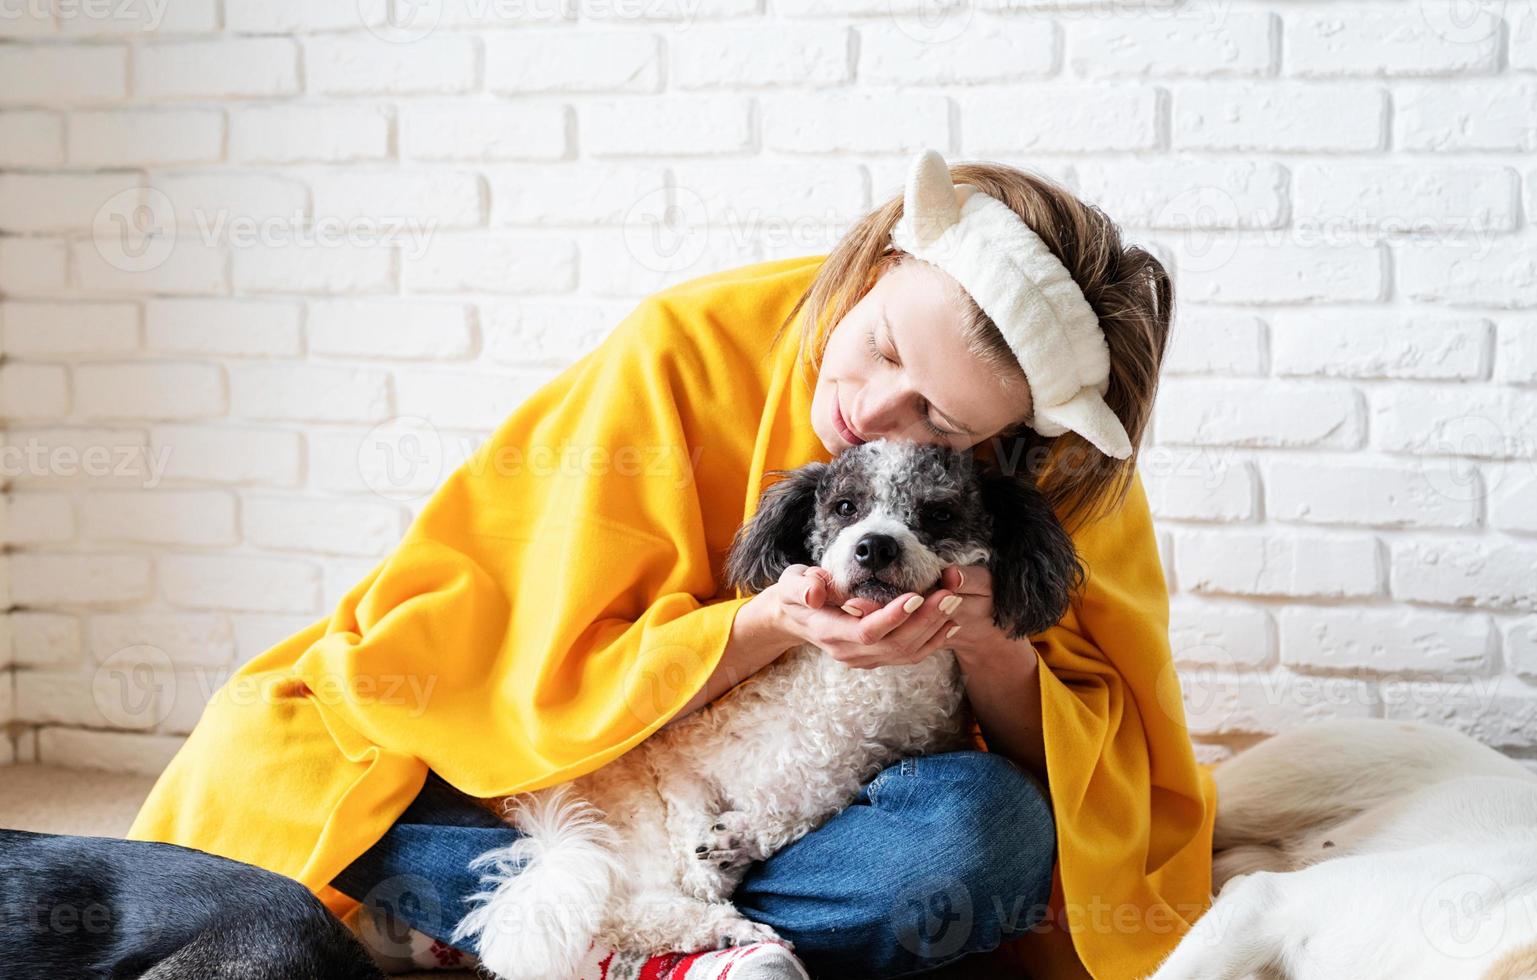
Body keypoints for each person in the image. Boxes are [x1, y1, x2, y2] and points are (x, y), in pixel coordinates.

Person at [128, 149, 1217, 980]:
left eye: (934, 418)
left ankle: (560, 925)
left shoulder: (1062, 477)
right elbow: (520, 659)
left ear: (1001, 441)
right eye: (881, 345)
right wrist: (771, 625)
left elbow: (1087, 769)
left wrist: (983, 638)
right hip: (583, 775)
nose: (868, 411)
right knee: (367, 780)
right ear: (884, 257)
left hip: (804, 819)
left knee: (991, 835)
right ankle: (650, 936)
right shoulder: (680, 346)